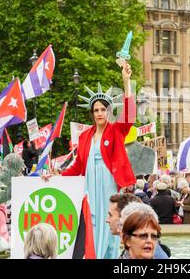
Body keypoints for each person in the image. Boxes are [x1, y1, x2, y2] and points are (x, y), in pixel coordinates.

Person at [43, 62, 136, 259]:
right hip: (90, 186)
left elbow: (129, 116)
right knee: (92, 224)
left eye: (103, 109)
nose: (100, 113)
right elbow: (78, 165)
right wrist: (57, 174)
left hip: (110, 183)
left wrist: (126, 82)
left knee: (111, 220)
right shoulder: (85, 136)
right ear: (92, 114)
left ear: (108, 112)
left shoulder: (116, 130)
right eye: (96, 110)